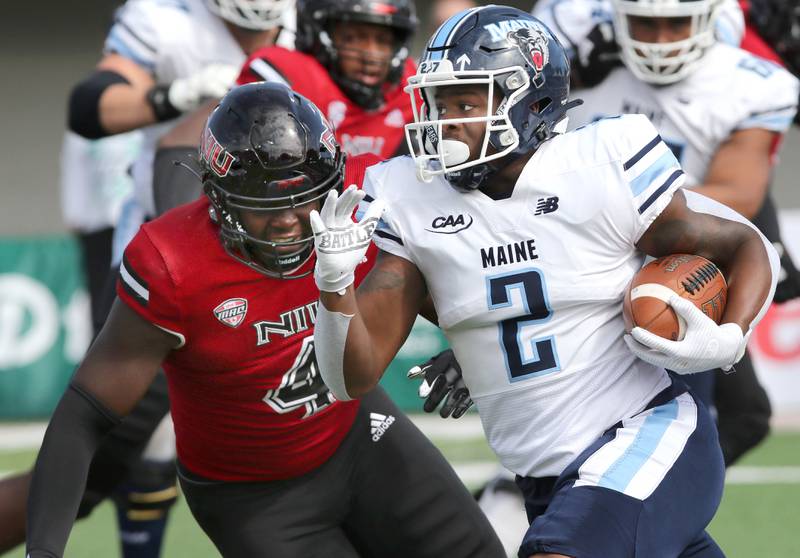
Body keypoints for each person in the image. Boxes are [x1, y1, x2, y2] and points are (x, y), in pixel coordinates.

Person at [309, 6, 779, 558]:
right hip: (545, 477)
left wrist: (729, 338)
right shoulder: (408, 195)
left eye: (464, 102)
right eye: (438, 103)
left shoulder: (599, 163)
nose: (445, 122)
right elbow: (349, 379)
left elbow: (743, 244)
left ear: (529, 101)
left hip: (645, 435)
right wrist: (335, 281)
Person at [25, 81, 505, 558]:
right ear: (220, 198)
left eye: (304, 197)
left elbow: (481, 238)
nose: (289, 220)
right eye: (266, 204)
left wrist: (475, 335)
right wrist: (43, 551)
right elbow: (86, 413)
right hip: (253, 494)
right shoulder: (172, 261)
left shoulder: (366, 198)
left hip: (359, 436)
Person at [153, 0, 420, 200]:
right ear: (318, 32)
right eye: (354, 38)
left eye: (382, 41)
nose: (370, 55)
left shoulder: (410, 85)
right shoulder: (289, 73)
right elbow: (188, 146)